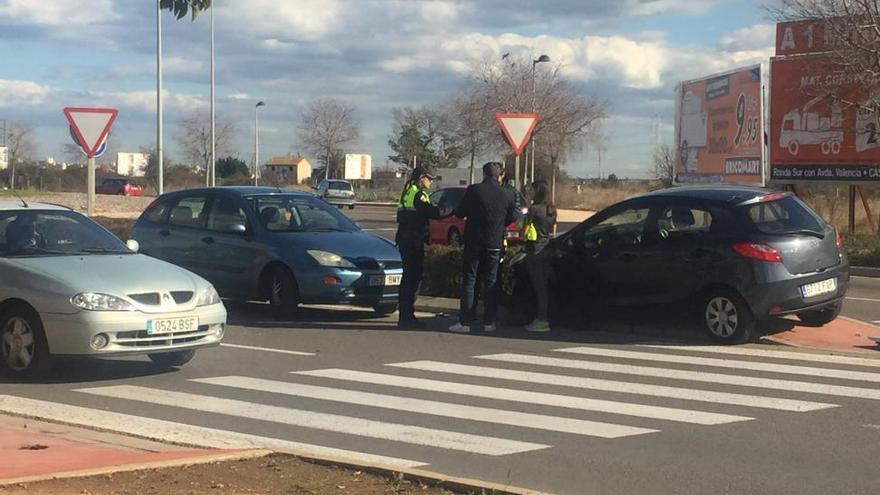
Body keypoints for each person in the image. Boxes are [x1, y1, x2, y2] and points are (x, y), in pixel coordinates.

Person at [449, 162, 516, 333]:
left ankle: (465, 322)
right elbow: (511, 217)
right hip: (494, 243)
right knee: (492, 281)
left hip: (474, 242)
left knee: (470, 280)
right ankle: (489, 322)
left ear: (484, 174)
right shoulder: (508, 194)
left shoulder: (474, 190)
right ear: (499, 175)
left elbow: (460, 212)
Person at [395, 165, 445, 329]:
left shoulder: (407, 192)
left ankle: (405, 314)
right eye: (429, 178)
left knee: (407, 278)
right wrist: (447, 209)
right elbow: (433, 213)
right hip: (414, 240)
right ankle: (407, 317)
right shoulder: (419, 194)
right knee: (413, 278)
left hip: (405, 238)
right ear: (421, 177)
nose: (431, 182)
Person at [522, 180, 557, 332]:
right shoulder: (552, 209)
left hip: (534, 249)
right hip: (547, 248)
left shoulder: (534, 210)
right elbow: (553, 230)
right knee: (545, 287)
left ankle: (541, 319)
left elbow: (522, 231)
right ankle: (545, 317)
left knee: (538, 287)